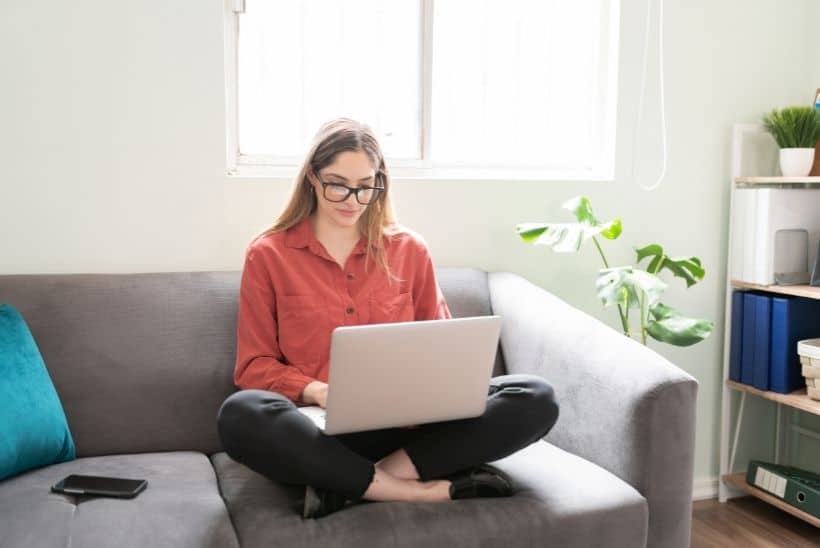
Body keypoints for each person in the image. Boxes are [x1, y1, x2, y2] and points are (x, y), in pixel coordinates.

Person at [216, 118, 559, 519]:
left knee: (535, 396)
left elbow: (445, 345)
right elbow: (253, 367)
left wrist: (438, 389)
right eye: (337, 183)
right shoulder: (269, 253)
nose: (352, 199)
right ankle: (417, 492)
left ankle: (355, 486)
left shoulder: (409, 249)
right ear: (311, 177)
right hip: (324, 434)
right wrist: (317, 391)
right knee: (241, 414)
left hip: (414, 433)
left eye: (366, 185)